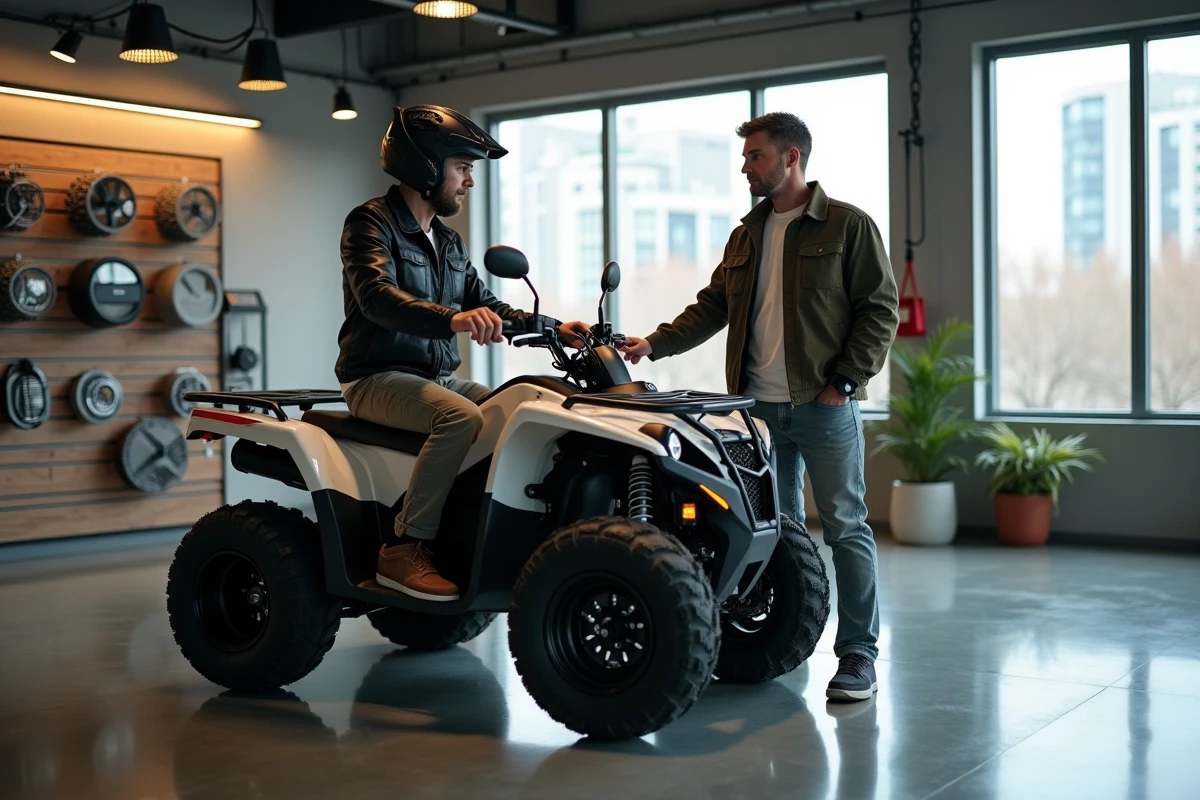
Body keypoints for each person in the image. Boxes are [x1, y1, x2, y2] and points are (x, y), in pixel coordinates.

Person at [619, 112, 899, 701]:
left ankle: (858, 657)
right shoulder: (747, 234)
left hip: (824, 408)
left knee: (846, 528)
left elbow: (880, 310)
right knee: (780, 533)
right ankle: (786, 637)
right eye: (746, 157)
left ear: (792, 158)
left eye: (756, 156)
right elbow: (712, 306)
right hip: (757, 413)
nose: (745, 166)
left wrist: (844, 383)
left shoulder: (848, 226)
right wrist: (654, 344)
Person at [335, 104, 590, 602]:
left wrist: (558, 327)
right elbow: (377, 297)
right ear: (426, 166)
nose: (469, 182)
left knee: (521, 408)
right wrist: (450, 319)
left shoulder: (449, 242)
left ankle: (472, 534)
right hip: (375, 377)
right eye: (463, 168)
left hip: (435, 378)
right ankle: (405, 546)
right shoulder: (371, 223)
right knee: (459, 420)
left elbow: (485, 303)